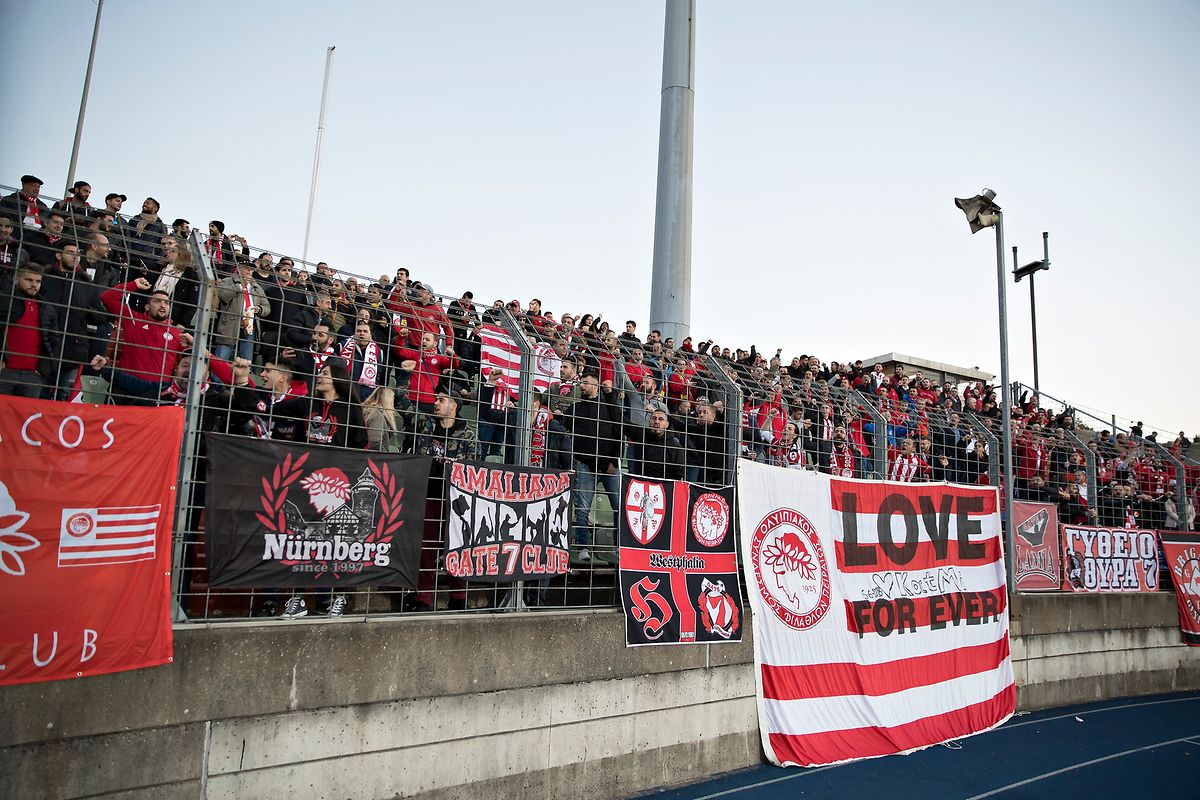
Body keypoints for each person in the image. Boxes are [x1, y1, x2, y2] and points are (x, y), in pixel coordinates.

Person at [409, 392, 478, 612]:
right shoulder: (426, 428)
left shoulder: (468, 435)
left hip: (455, 502)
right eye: (436, 400)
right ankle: (423, 599)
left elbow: (471, 469)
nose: (436, 404)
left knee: (456, 548)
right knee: (426, 551)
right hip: (429, 496)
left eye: (441, 400)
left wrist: (443, 468)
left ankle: (458, 597)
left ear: (454, 406)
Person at [564, 374, 622, 563]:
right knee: (582, 509)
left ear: (596, 386)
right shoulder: (575, 408)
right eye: (581, 383)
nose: (582, 385)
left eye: (586, 383)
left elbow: (618, 432)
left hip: (610, 466)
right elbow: (564, 429)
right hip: (585, 463)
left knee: (618, 506)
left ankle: (618, 546)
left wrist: (614, 460)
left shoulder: (608, 407)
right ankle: (583, 547)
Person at [100, 277, 193, 383]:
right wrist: (134, 284)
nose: (162, 305)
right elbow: (107, 297)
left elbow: (191, 362)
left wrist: (193, 345)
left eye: (166, 303)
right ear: (147, 307)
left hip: (156, 392)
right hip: (125, 385)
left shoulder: (177, 334)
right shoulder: (133, 320)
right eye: (157, 301)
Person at [0, 263, 60, 397]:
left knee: (25, 417)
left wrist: (43, 370)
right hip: (5, 372)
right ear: (16, 279)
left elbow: (54, 341)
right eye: (29, 280)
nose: (34, 284)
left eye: (38, 281)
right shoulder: (4, 301)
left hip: (33, 376)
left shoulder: (46, 308)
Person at [213, 259, 270, 362]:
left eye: (251, 269)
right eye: (247, 268)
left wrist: (259, 309)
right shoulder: (228, 281)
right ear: (238, 269)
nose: (249, 271)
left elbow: (267, 307)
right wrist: (239, 287)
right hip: (230, 324)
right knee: (221, 358)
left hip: (249, 326)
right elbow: (222, 295)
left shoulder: (256, 287)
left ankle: (242, 377)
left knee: (246, 361)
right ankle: (215, 378)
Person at [628, 408, 685, 480]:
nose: (656, 421)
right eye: (654, 418)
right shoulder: (641, 434)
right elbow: (621, 421)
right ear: (649, 421)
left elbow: (678, 475)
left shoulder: (675, 446)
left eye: (661, 419)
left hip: (663, 487)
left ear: (667, 424)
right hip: (641, 485)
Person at [362, 386, 400, 451]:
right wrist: (385, 457)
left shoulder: (374, 412)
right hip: (374, 458)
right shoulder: (377, 415)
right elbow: (374, 442)